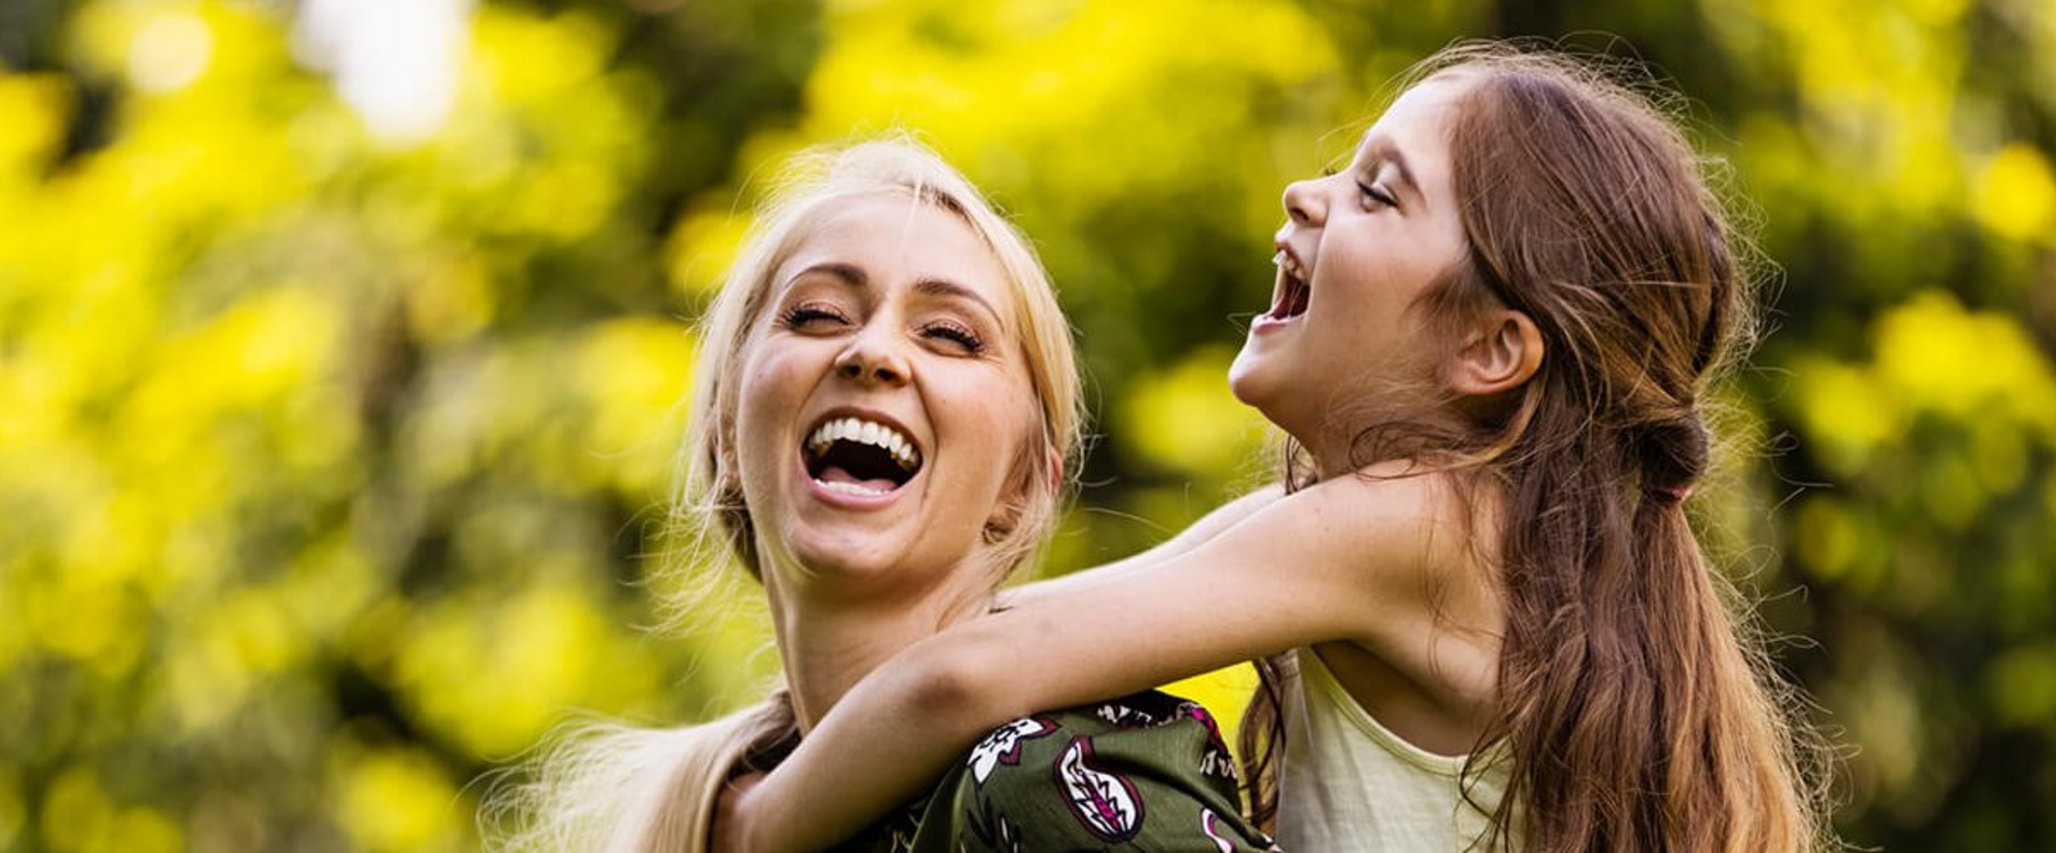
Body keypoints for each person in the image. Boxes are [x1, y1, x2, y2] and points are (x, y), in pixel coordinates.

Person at [716, 43, 1830, 852]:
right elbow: (1033, 627)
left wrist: (755, 822)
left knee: (1046, 773)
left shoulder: (1429, 525)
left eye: (1376, 193)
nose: (1307, 193)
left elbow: (969, 670)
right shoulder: (1421, 532)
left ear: (1492, 349)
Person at [489, 137, 1275, 851]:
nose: (872, 351)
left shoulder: (1046, 780)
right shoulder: (706, 816)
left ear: (1024, 482)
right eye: (820, 314)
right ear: (726, 431)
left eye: (951, 335)